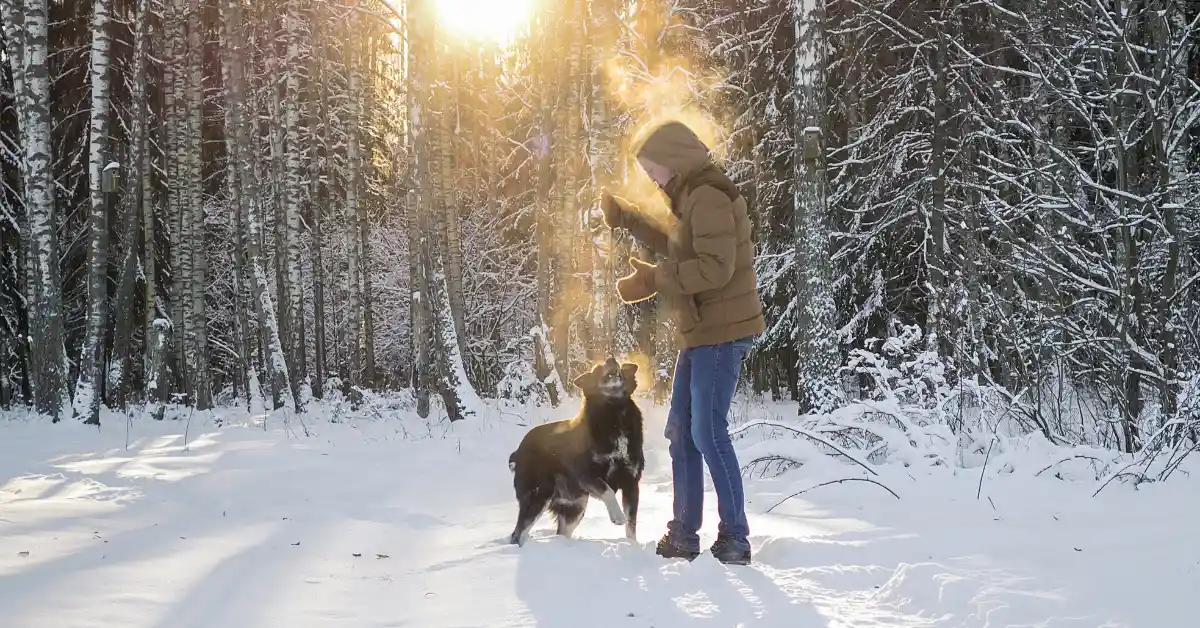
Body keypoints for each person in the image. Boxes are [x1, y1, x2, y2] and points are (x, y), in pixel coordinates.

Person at [600, 119, 765, 565]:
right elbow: (681, 248)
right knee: (682, 434)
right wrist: (631, 220)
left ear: (673, 160)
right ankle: (684, 535)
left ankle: (735, 537)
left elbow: (714, 268)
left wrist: (653, 279)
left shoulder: (709, 194)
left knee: (707, 433)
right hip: (702, 332)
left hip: (722, 332)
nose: (652, 179)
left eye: (653, 169)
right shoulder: (693, 195)